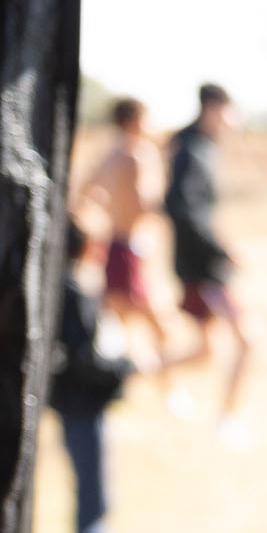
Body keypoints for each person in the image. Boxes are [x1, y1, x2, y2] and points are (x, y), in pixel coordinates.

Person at [72, 96, 191, 391]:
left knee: (116, 324)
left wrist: (107, 209)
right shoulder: (139, 155)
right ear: (136, 120)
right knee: (158, 326)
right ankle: (166, 387)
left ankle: (129, 384)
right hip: (131, 249)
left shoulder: (109, 154)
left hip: (114, 245)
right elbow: (142, 204)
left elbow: (84, 194)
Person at [46, 224, 132, 533]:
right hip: (80, 404)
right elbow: (84, 359)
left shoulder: (56, 290)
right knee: (92, 489)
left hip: (72, 402)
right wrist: (121, 368)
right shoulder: (70, 294)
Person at [165, 84, 255, 425]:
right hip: (204, 268)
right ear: (215, 108)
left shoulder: (202, 147)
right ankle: (228, 420)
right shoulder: (189, 149)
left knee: (204, 351)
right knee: (248, 340)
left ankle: (131, 370)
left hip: (203, 264)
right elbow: (182, 209)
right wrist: (221, 250)